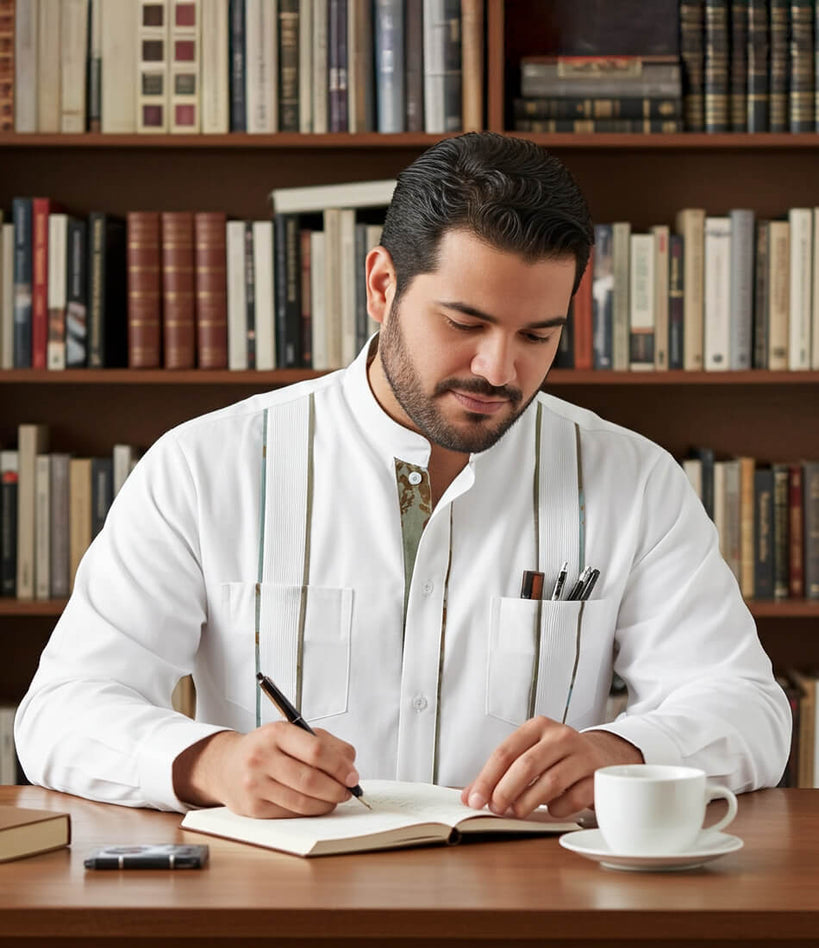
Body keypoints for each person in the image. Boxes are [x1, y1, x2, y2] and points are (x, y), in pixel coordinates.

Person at [15, 131, 790, 826]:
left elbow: (747, 708)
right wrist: (207, 763)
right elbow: (62, 712)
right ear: (382, 285)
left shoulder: (633, 480)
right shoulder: (204, 466)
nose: (499, 369)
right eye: (464, 324)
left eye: (536, 335)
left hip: (532, 919)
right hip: (277, 917)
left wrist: (621, 749)